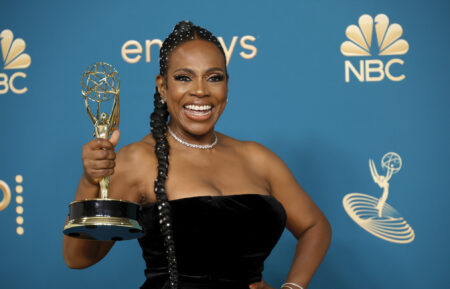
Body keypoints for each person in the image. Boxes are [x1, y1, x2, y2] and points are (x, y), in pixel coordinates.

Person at [63, 21, 331, 289]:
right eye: (184, 77)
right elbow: (78, 258)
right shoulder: (136, 161)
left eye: (214, 77)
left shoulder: (258, 158)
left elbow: (315, 226)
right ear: (163, 87)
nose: (200, 90)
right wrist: (89, 182)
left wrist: (293, 287)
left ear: (227, 85)